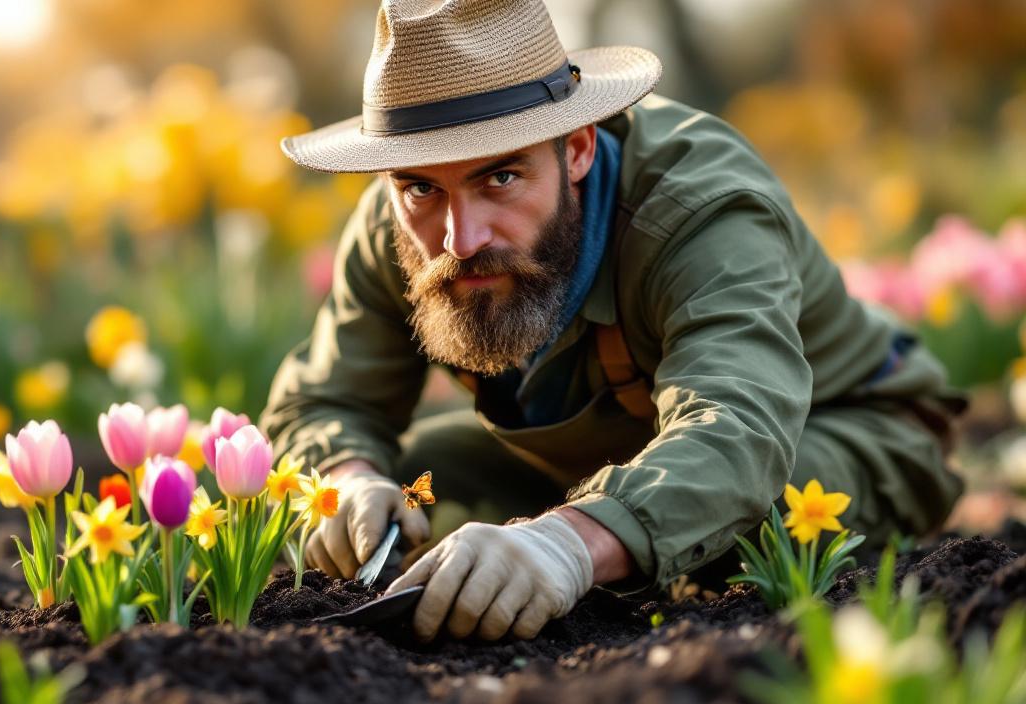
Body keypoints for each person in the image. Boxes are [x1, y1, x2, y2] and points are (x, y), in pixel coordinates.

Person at [260, 0, 964, 643]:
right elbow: (328, 398)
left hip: (836, 428)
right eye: (420, 188)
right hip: (604, 459)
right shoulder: (401, 225)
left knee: (732, 522)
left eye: (499, 178)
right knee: (412, 485)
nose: (458, 240)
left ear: (577, 147)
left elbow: (738, 431)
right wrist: (347, 481)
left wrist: (567, 543)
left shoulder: (703, 210)